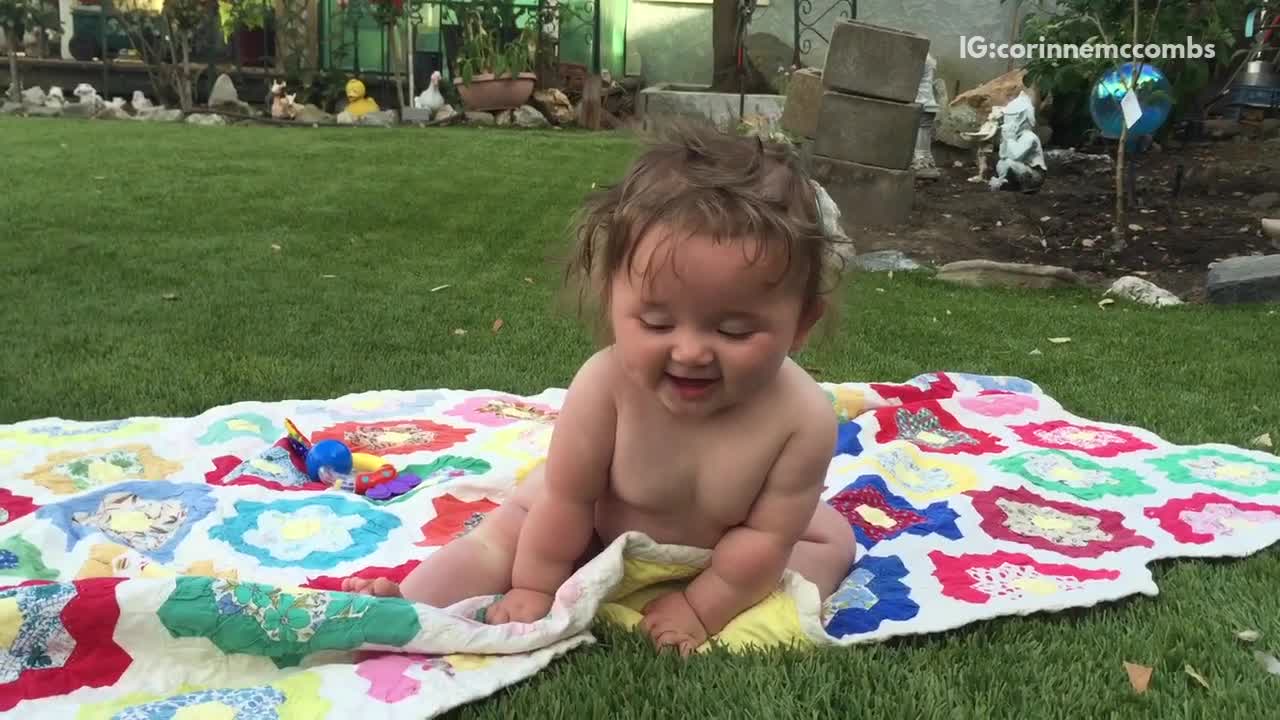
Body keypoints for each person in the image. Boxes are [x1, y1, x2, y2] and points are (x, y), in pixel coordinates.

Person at [345, 121, 857, 655]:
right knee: (506, 532)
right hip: (590, 523)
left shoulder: (801, 419)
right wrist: (533, 586)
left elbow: (767, 536)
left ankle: (725, 589)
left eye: (733, 331)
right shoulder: (605, 386)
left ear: (802, 323)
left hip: (722, 544)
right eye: (657, 323)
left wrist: (702, 606)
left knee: (831, 540)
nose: (690, 352)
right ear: (614, 300)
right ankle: (402, 608)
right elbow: (568, 500)